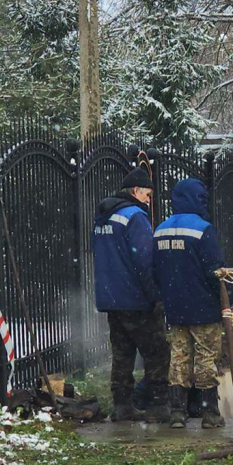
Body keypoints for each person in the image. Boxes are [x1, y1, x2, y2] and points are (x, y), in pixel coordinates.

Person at [91, 168, 171, 422]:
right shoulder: (135, 217)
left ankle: (122, 405)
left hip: (111, 299)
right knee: (157, 351)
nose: (149, 200)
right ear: (136, 191)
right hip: (136, 299)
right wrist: (156, 296)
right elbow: (145, 260)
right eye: (148, 194)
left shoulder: (103, 217)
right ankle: (158, 406)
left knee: (122, 354)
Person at [153, 178, 226, 429]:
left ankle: (177, 413)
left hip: (174, 307)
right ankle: (210, 414)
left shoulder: (160, 230)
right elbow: (216, 271)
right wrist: (229, 300)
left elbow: (154, 270)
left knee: (179, 357)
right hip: (203, 307)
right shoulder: (203, 229)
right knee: (206, 357)